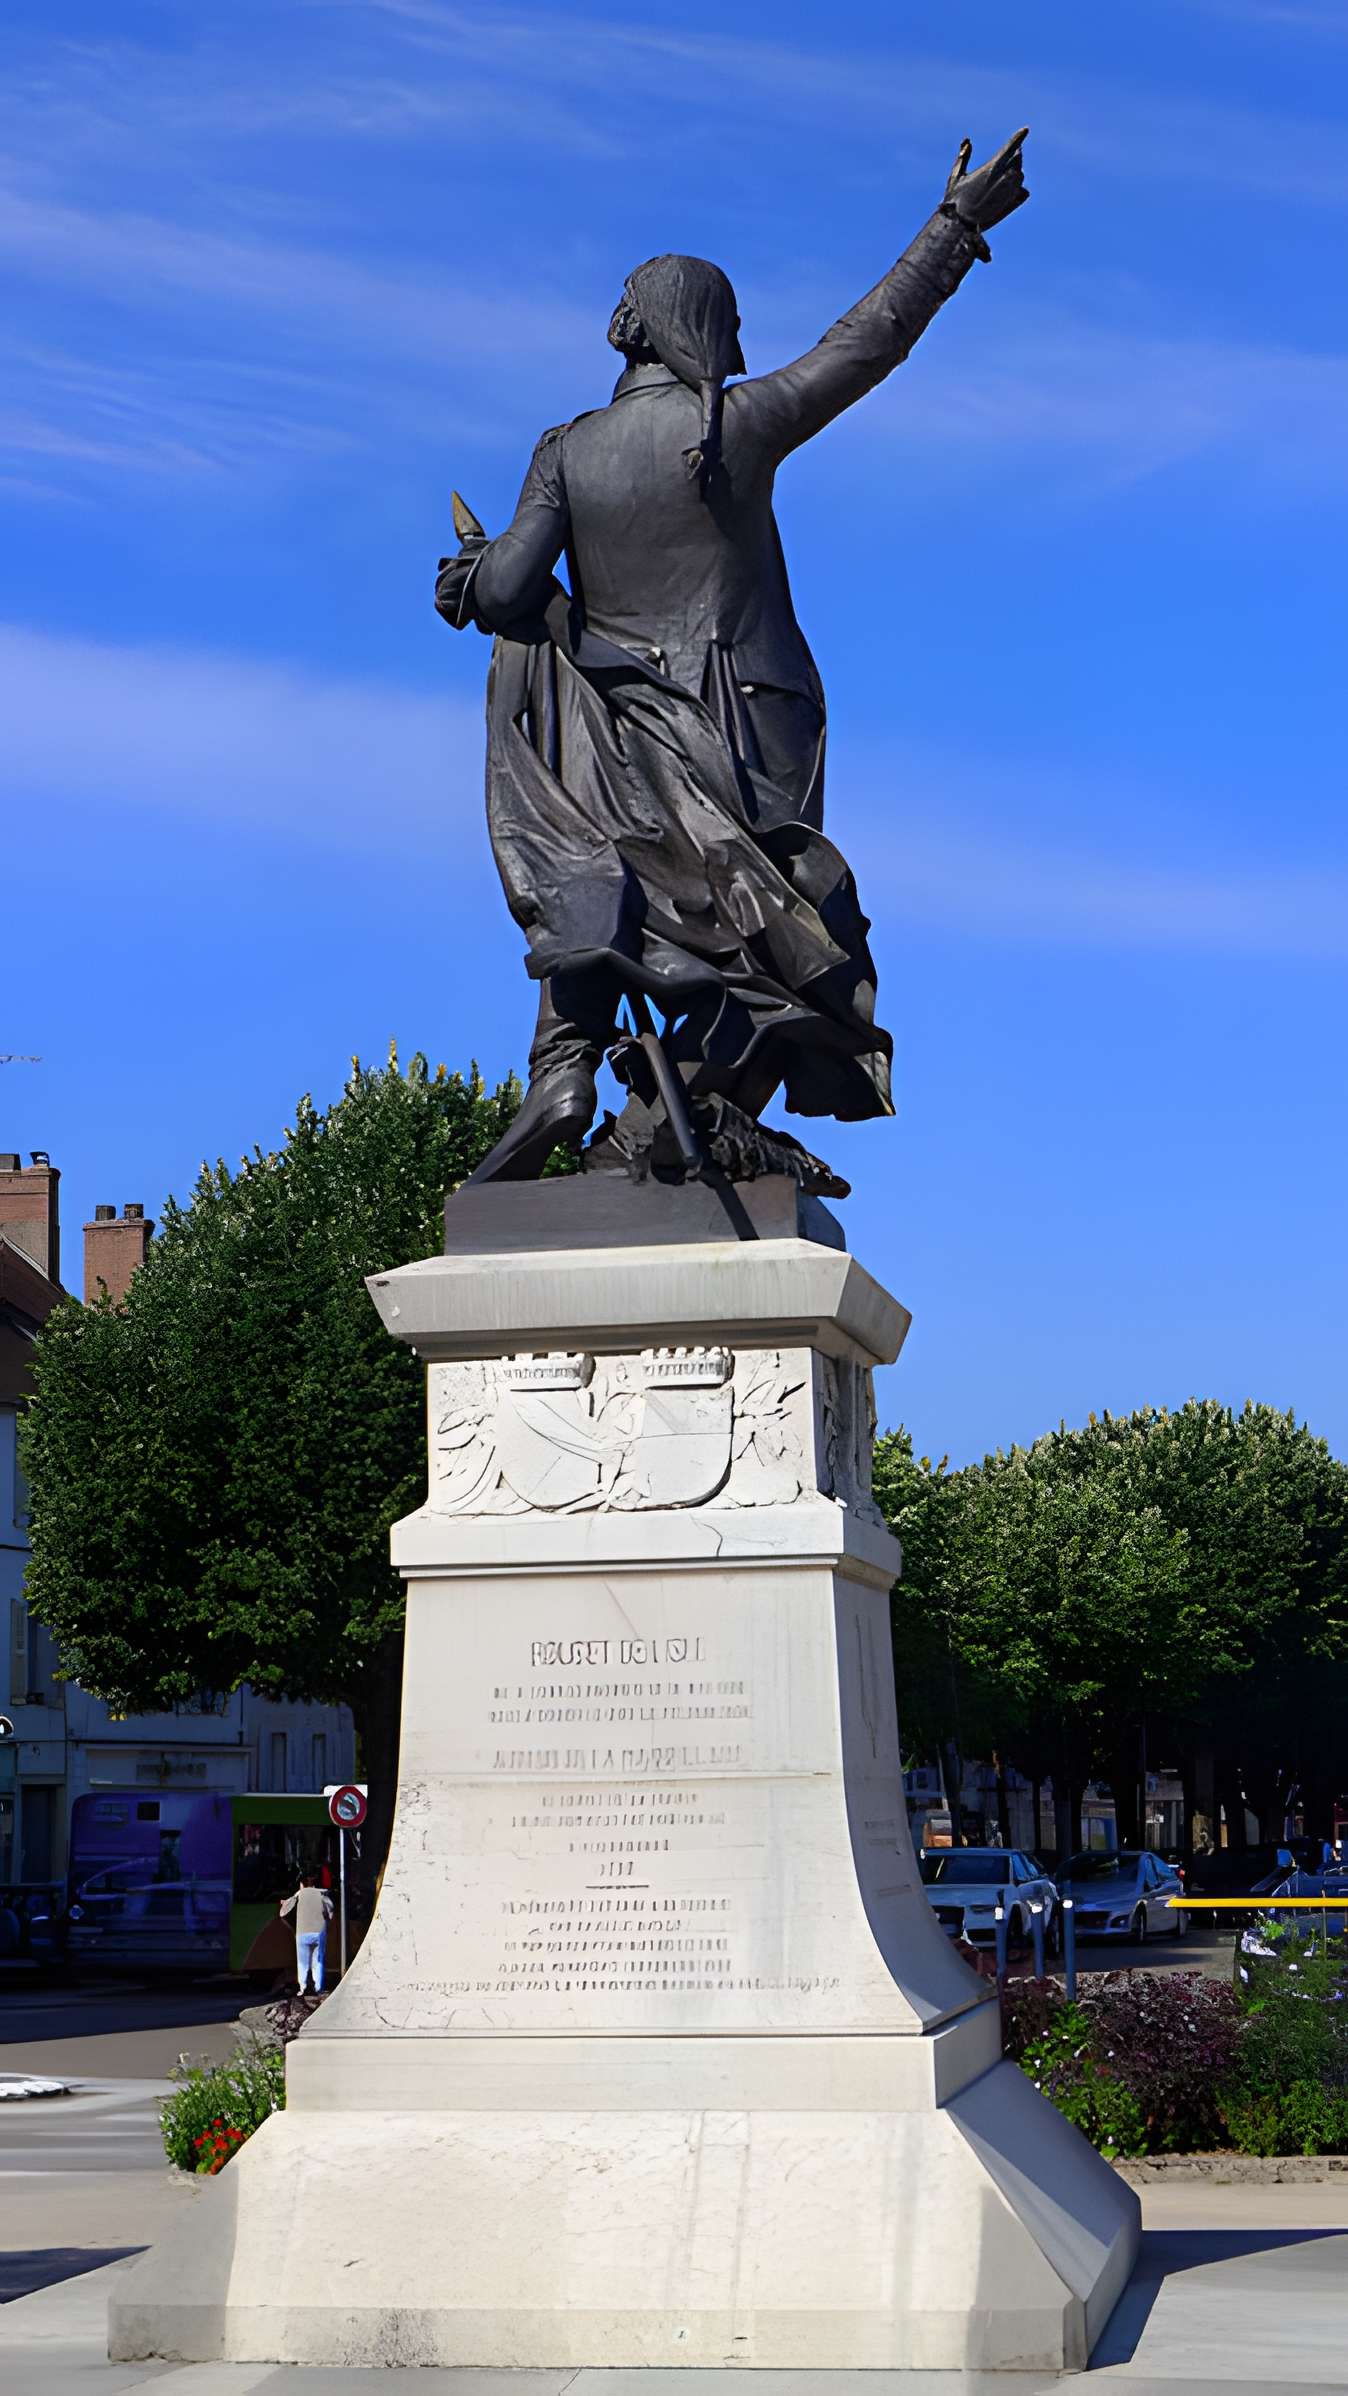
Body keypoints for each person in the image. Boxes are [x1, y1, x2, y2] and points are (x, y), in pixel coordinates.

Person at [436, 130, 1029, 1185]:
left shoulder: (566, 449)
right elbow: (865, 345)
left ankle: (565, 1069)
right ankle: (699, 1102)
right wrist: (952, 230)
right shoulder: (734, 426)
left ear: (633, 326)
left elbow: (515, 593)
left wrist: (469, 576)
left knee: (602, 874)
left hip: (621, 731)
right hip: (746, 721)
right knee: (767, 924)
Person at [279, 1870, 333, 1994]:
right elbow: (330, 1911)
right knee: (318, 1960)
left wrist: (286, 1902)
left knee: (302, 1962)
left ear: (302, 1885)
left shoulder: (299, 1895)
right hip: (319, 1932)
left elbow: (283, 1913)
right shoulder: (322, 1894)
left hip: (302, 1933)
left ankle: (302, 1988)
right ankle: (318, 1987)